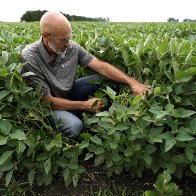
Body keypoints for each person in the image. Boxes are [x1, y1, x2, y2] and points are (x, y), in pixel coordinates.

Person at [21, 11, 151, 139]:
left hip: (69, 93)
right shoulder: (30, 56)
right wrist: (85, 105)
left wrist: (132, 82)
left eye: (69, 38)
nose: (68, 44)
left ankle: (79, 112)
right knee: (75, 127)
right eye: (63, 40)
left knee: (100, 80)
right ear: (45, 36)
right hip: (49, 106)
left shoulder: (72, 48)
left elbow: (100, 66)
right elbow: (47, 101)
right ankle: (66, 126)